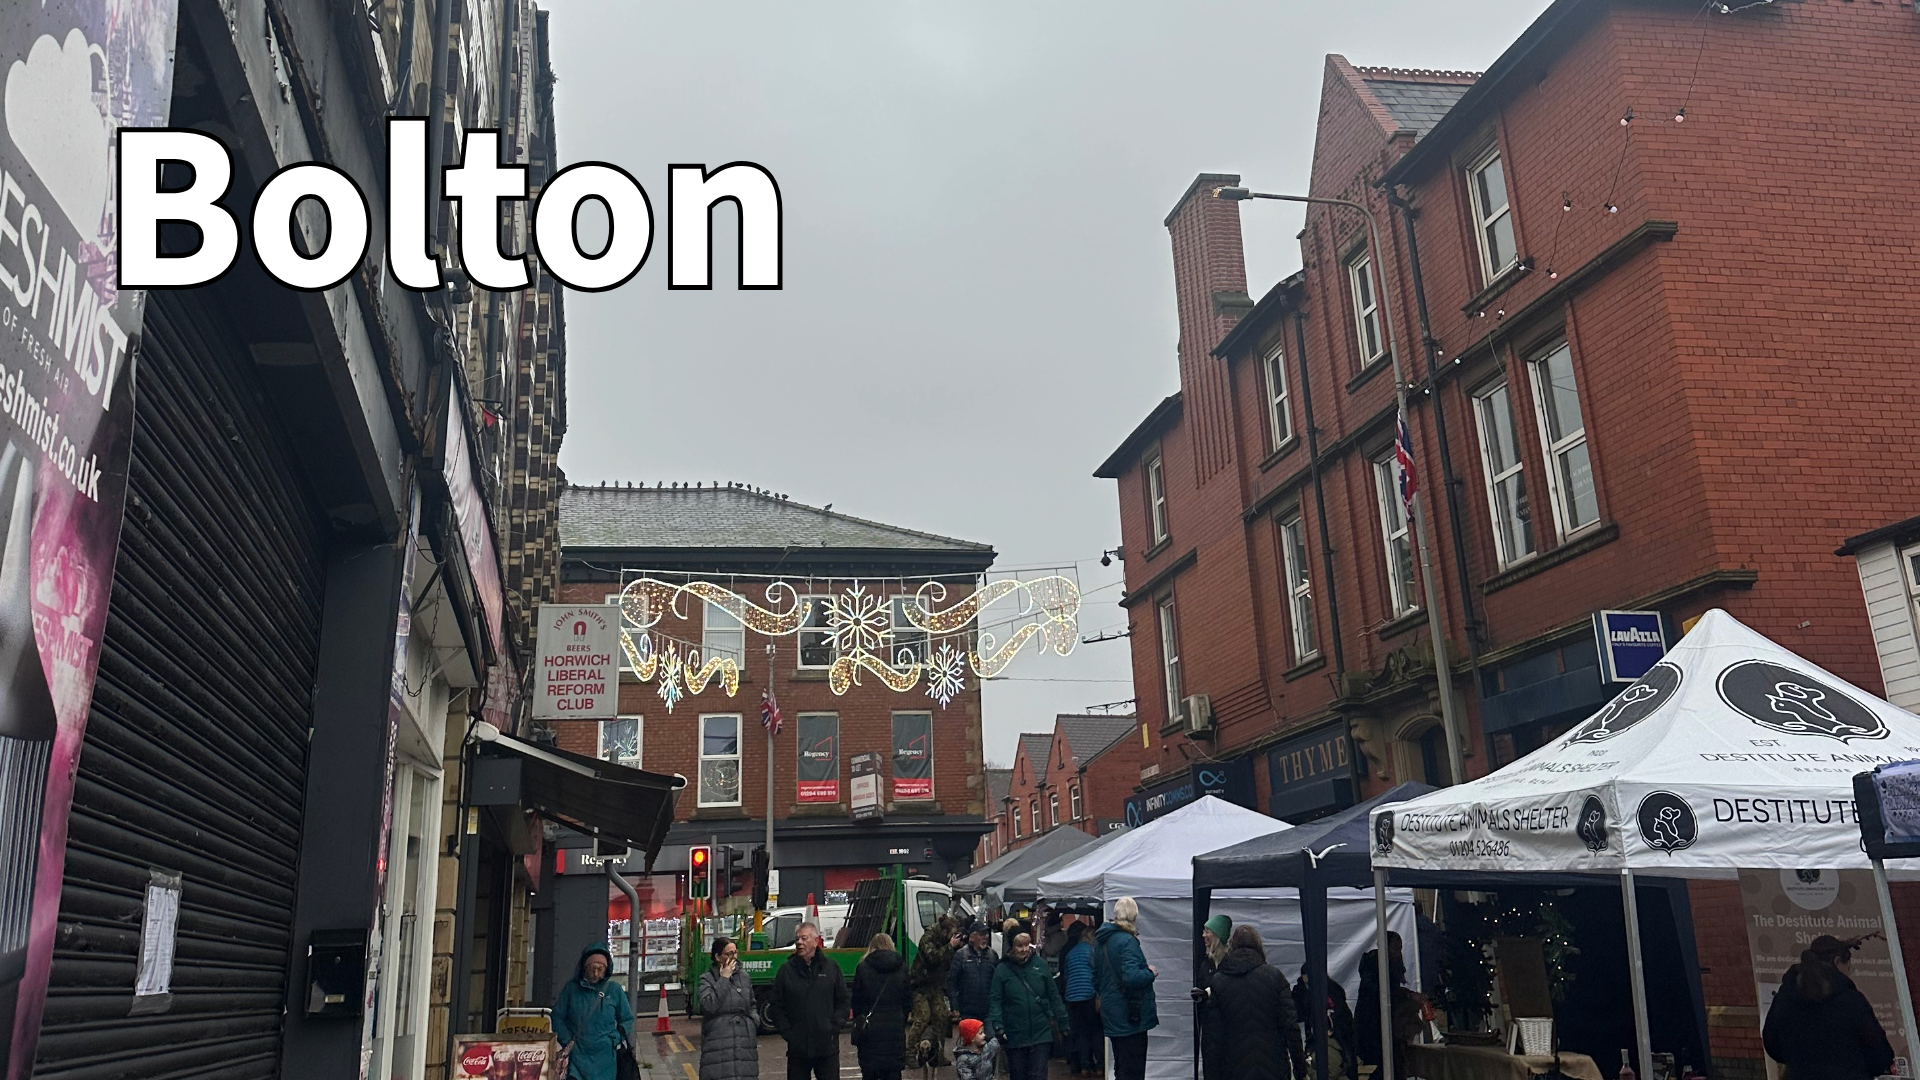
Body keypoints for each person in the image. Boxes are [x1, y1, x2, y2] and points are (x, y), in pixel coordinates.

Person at [1763, 934, 1894, 1080]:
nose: (1849, 973)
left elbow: (1772, 1045)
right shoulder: (1851, 1001)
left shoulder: (1785, 997)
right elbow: (1879, 1056)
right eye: (1848, 967)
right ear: (1837, 962)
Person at [1202, 925, 1307, 1080]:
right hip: (1274, 1066)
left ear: (1232, 946)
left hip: (1233, 1067)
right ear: (1259, 946)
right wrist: (1300, 1070)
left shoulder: (1218, 982)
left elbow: (1212, 1038)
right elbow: (1291, 1028)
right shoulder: (1275, 977)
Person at [770, 922, 851, 1080]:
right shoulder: (786, 971)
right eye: (797, 939)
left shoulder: (830, 968)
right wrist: (789, 1033)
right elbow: (776, 1005)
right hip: (798, 1049)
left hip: (827, 1048)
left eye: (804, 938)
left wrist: (833, 1027)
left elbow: (843, 1000)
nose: (799, 942)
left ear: (816, 940)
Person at [989, 932, 1070, 1080]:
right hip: (1015, 1033)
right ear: (1012, 947)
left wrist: (1063, 1021)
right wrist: (998, 1026)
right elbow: (995, 1000)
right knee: (1018, 1075)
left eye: (1027, 945)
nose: (1024, 949)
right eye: (1020, 946)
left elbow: (1053, 995)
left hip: (1041, 1032)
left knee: (1038, 1075)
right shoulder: (1002, 969)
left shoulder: (1040, 964)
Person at [1094, 897, 1158, 1080]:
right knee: (1133, 1069)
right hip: (1130, 1014)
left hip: (1112, 1012)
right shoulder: (1127, 941)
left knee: (1121, 1065)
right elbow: (1131, 977)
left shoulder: (1101, 941)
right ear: (1134, 916)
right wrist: (1150, 973)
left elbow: (1095, 977)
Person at [552, 941, 634, 1080]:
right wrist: (567, 1039)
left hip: (605, 1058)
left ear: (606, 969)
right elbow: (557, 1017)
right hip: (577, 1056)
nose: (596, 974)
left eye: (600, 969)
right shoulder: (571, 989)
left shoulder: (614, 990)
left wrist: (614, 1039)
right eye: (592, 969)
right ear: (584, 968)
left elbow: (627, 1019)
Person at [1355, 932, 1423, 1080]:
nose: (1399, 953)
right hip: (1375, 1031)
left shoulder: (1386, 968)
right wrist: (1406, 995)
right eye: (1395, 948)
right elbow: (1381, 994)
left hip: (1387, 1030)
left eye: (1400, 949)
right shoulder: (1375, 968)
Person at [853, 933, 912, 1080]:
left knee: (870, 1073)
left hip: (870, 1031)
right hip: (894, 1029)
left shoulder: (863, 967)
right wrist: (900, 1018)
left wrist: (860, 1018)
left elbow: (857, 1000)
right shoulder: (901, 967)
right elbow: (907, 1000)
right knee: (893, 1073)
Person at [906, 914, 963, 1068]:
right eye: (952, 934)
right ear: (944, 931)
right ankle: (909, 1053)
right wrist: (950, 946)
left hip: (935, 985)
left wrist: (954, 947)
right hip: (920, 984)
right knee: (922, 1018)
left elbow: (947, 963)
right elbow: (933, 957)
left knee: (941, 1016)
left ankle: (938, 1053)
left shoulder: (944, 940)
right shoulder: (928, 938)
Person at [699, 937, 759, 1080]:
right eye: (729, 954)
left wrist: (753, 1023)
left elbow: (751, 1004)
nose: (734, 957)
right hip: (718, 1041)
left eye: (735, 952)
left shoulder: (744, 977)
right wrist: (724, 979)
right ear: (717, 957)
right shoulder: (707, 979)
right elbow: (709, 1005)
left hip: (744, 1042)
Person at [1293, 972, 1358, 1080]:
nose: (1307, 987)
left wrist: (1308, 1069)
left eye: (1308, 983)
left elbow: (1327, 1076)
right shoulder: (1331, 992)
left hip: (1331, 1044)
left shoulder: (1330, 1046)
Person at [1192, 915, 1232, 1080]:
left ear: (1217, 935)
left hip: (1228, 1028)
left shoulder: (1231, 963)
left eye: (1207, 931)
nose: (1203, 935)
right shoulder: (1206, 964)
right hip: (1209, 1031)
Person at [1061, 921, 1101, 1077]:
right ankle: (1099, 1066)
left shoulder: (1071, 953)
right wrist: (1098, 995)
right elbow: (1097, 974)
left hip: (1072, 997)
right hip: (1088, 995)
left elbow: (1066, 976)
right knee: (1095, 1031)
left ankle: (1084, 1067)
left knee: (1080, 1033)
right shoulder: (1093, 951)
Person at [950, 921, 999, 1030]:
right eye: (981, 934)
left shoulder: (992, 955)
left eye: (986, 934)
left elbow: (997, 983)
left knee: (991, 1038)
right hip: (967, 1011)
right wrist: (955, 1006)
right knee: (971, 1039)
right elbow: (952, 981)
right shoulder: (961, 955)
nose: (985, 937)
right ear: (972, 937)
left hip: (988, 1011)